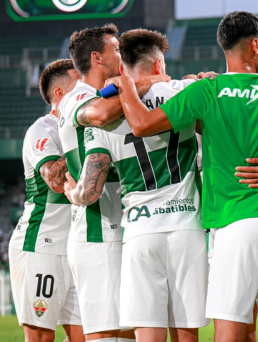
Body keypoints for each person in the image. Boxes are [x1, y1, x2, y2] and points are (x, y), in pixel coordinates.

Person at [107, 11, 258, 342]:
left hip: (233, 222)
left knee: (229, 329)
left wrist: (126, 86)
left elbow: (140, 125)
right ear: (256, 45)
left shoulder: (207, 91)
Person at [64, 28, 209, 342]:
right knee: (187, 335)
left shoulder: (107, 116)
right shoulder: (184, 91)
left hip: (140, 232)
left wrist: (71, 191)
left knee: (146, 333)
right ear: (158, 66)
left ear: (122, 67)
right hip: (187, 226)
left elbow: (93, 183)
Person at [58, 23, 166, 342]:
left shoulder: (102, 92)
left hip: (113, 228)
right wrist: (153, 80)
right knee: (108, 333)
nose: (122, 54)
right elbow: (101, 115)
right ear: (97, 57)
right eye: (116, 49)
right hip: (99, 231)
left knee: (128, 330)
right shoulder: (80, 96)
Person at [9, 59, 84, 342]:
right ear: (61, 94)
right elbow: (53, 179)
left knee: (86, 336)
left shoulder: (86, 125)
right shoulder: (42, 130)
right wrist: (83, 146)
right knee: (41, 337)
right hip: (42, 244)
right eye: (80, 83)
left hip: (77, 246)